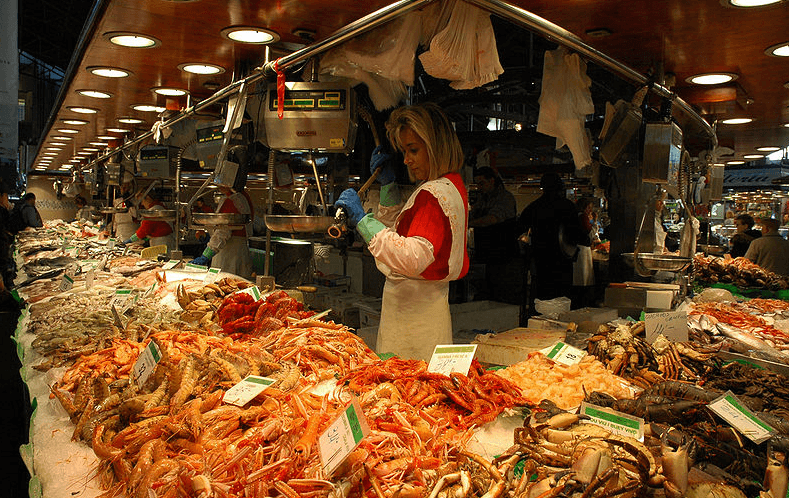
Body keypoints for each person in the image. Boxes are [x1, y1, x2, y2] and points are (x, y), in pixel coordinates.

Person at [334, 102, 469, 361]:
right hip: (419, 312)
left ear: (435, 146)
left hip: (415, 322)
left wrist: (363, 221)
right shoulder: (449, 185)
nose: (406, 159)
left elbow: (411, 257)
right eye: (404, 151)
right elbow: (401, 233)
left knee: (408, 391)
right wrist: (388, 187)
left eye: (413, 150)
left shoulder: (434, 195)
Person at [518, 172, 585, 316]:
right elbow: (578, 234)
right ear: (560, 188)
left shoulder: (535, 206)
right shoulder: (567, 206)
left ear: (543, 188)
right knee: (562, 299)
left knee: (543, 299)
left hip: (541, 261)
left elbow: (519, 227)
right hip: (563, 261)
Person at [468, 166, 519, 303]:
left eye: (482, 183)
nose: (479, 187)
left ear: (492, 181)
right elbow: (472, 214)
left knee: (501, 298)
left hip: (504, 259)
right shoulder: (483, 199)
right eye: (477, 184)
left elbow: (492, 219)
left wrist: (468, 224)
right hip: (486, 257)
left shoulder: (505, 198)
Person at [190, 185, 254, 279]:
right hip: (235, 250)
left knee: (228, 285)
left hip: (230, 254)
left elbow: (223, 232)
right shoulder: (240, 197)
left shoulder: (234, 200)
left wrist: (206, 255)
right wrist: (209, 236)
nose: (218, 186)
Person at [571, 198, 596, 309]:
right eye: (588, 207)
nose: (590, 210)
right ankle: (581, 304)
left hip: (578, 250)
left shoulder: (576, 216)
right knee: (583, 279)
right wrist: (594, 222)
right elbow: (590, 232)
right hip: (582, 251)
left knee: (580, 278)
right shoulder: (582, 217)